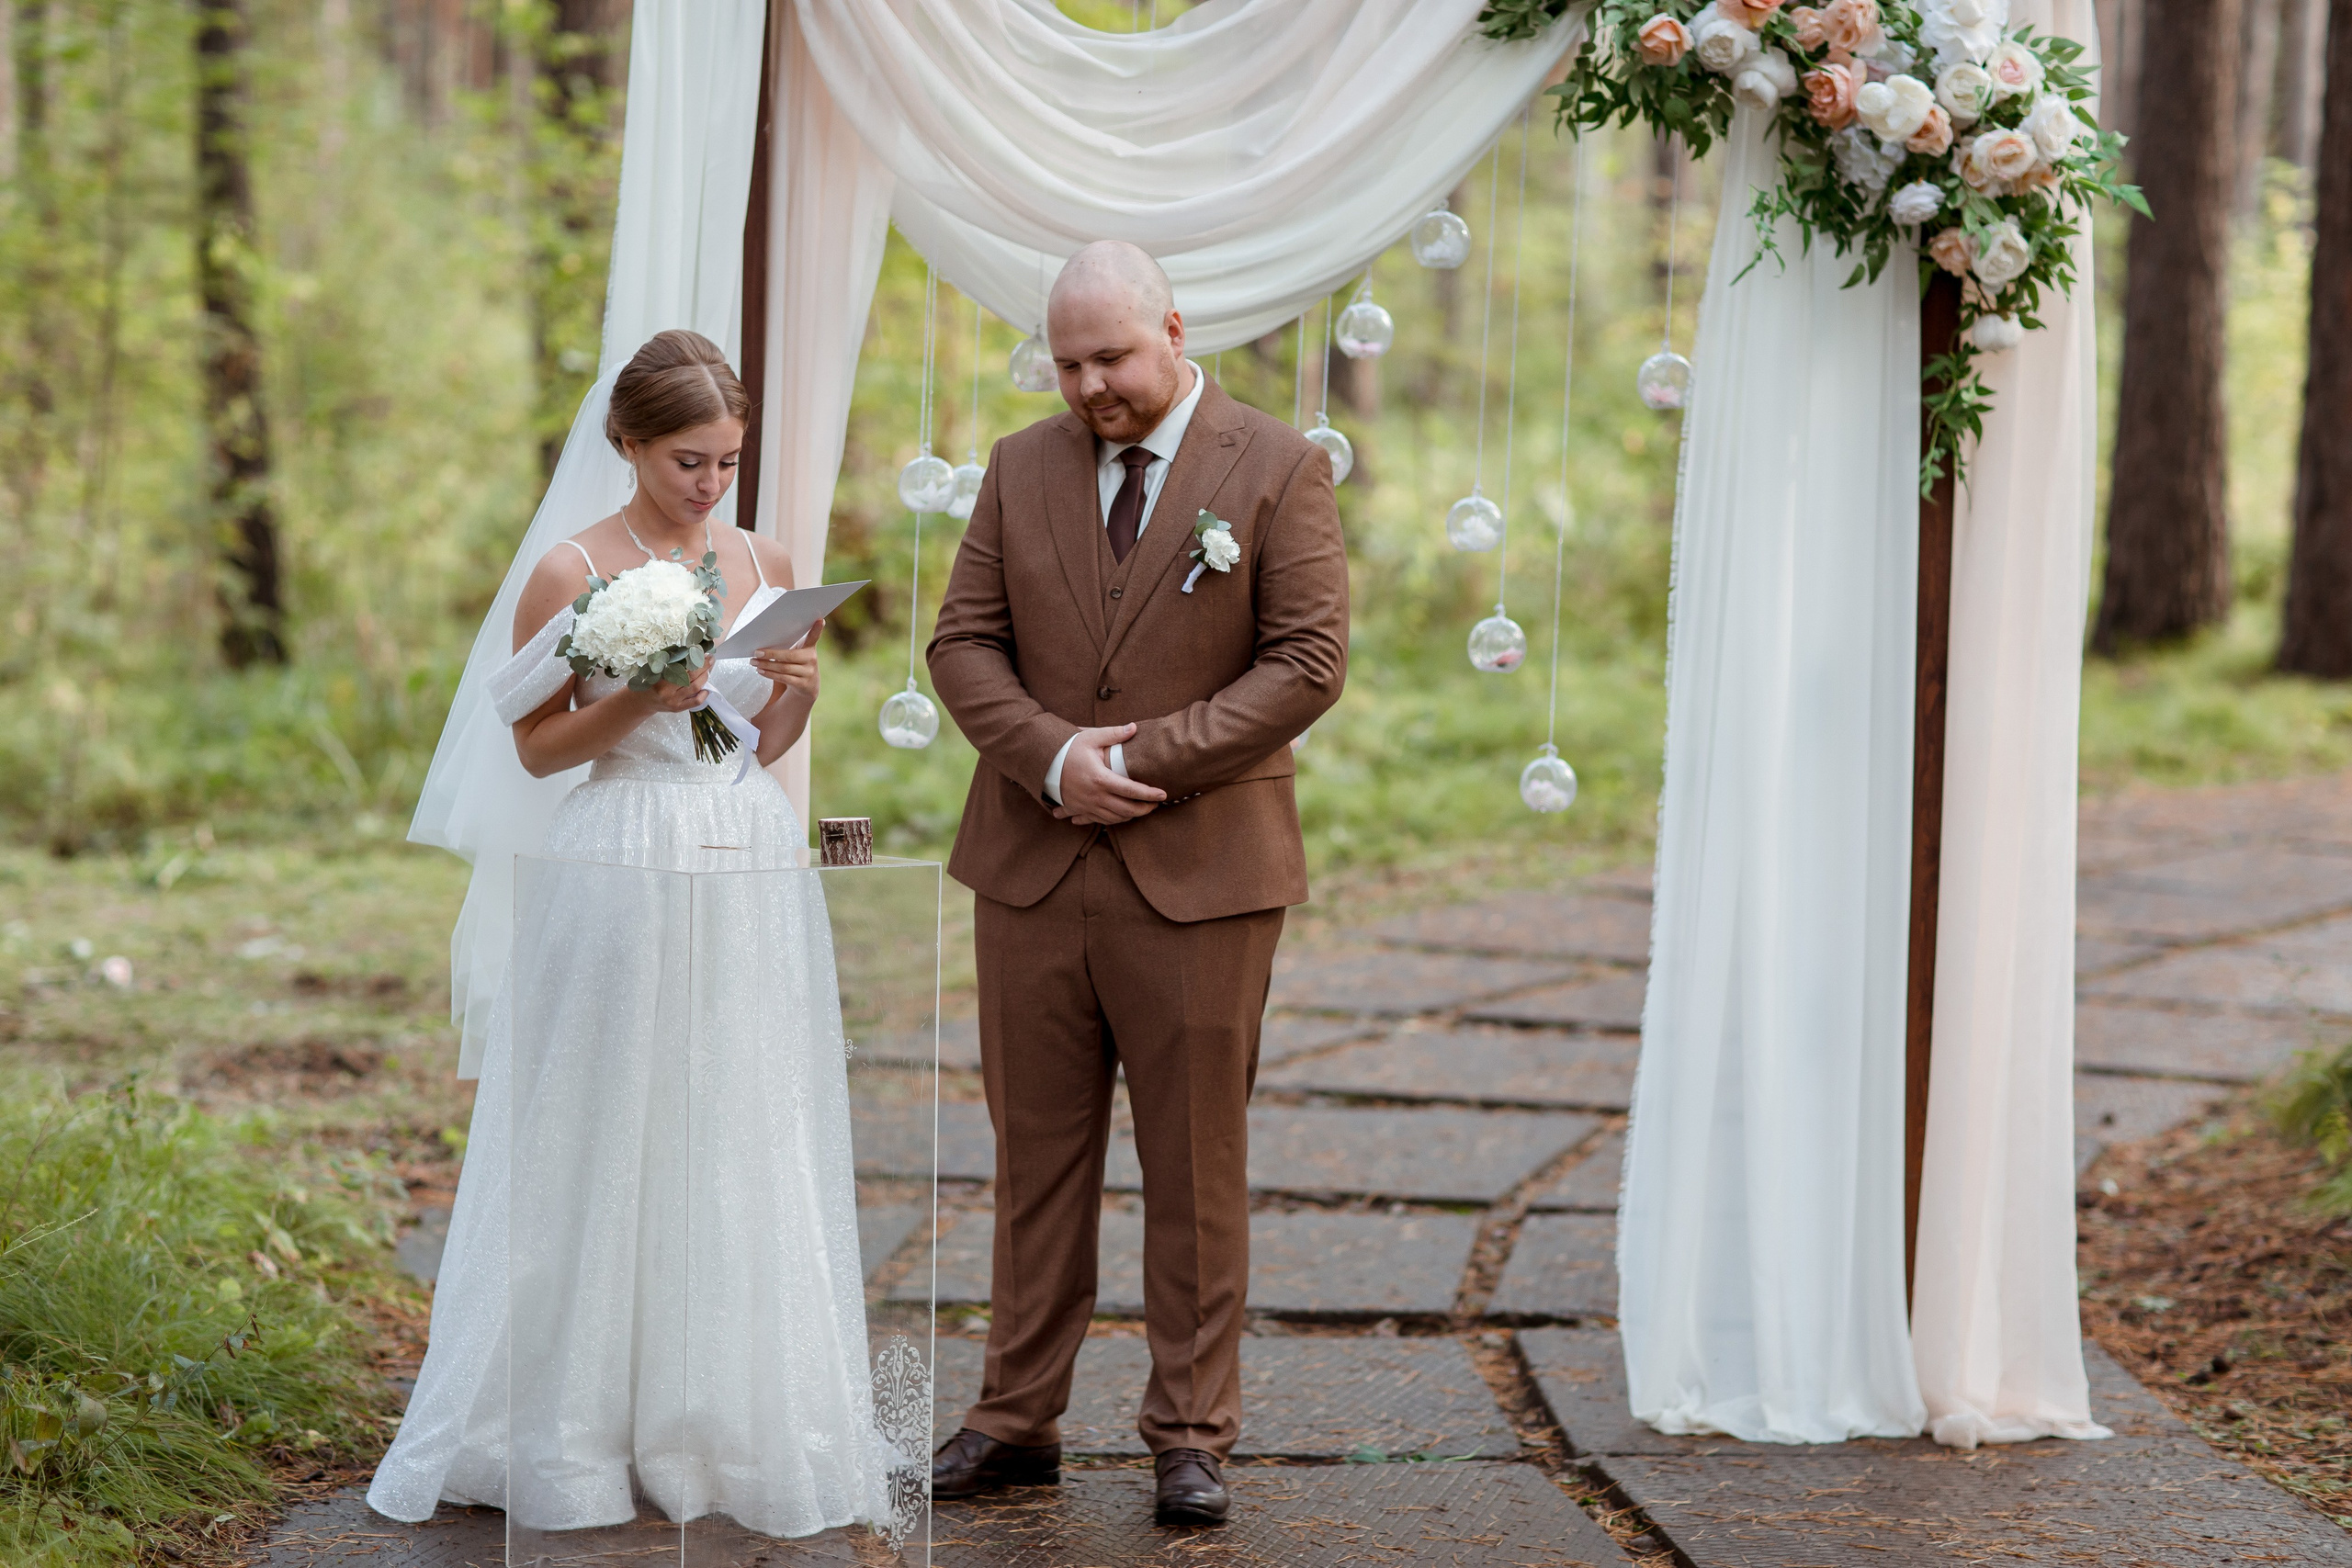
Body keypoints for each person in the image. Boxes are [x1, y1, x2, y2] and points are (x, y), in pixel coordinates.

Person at [368, 330, 894, 1540]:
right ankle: (565, 1424)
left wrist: (799, 679)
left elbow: (766, 740)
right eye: (685, 462)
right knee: (603, 1120)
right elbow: (538, 746)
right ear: (627, 443)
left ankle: (726, 1409)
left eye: (725, 462)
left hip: (745, 851)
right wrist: (636, 702)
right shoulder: (572, 570)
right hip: (618, 859)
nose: (708, 486)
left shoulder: (761, 557)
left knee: (736, 1113)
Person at [925, 243, 1350, 1527]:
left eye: (1111, 357)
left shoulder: (1278, 466)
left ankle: (1189, 1434)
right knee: (1034, 1161)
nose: (1090, 385)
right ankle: (1014, 1418)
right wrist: (1053, 759)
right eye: (1067, 363)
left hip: (1204, 875)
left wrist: (1142, 762)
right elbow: (961, 643)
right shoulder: (1017, 467)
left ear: (1172, 329)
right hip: (1031, 872)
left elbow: (1309, 661)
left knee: (1194, 1164)